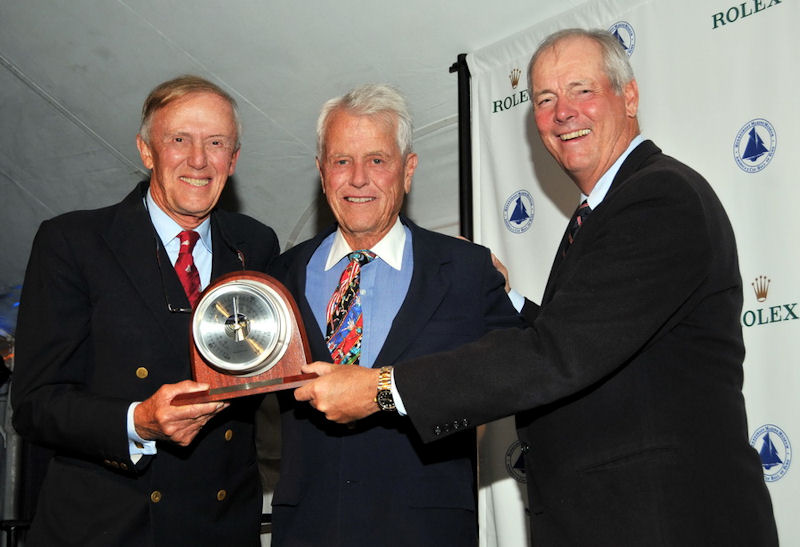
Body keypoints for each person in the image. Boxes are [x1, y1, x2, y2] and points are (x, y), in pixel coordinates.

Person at [294, 29, 779, 545]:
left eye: (581, 90)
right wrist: (510, 301)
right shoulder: (608, 210)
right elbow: (588, 337)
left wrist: (382, 389)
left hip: (666, 519)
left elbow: (557, 354)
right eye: (546, 99)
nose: (563, 112)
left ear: (629, 96)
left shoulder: (659, 197)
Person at [11, 75, 279, 546]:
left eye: (216, 143)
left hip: (221, 525)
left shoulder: (256, 244)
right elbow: (35, 404)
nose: (198, 160)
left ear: (233, 159)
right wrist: (138, 421)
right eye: (179, 140)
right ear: (147, 151)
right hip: (108, 526)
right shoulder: (73, 243)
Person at [267, 84, 522, 546]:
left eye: (378, 160)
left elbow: (519, 371)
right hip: (309, 531)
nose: (358, 178)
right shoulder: (277, 278)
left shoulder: (463, 270)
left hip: (425, 531)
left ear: (408, 171)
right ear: (322, 173)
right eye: (342, 161)